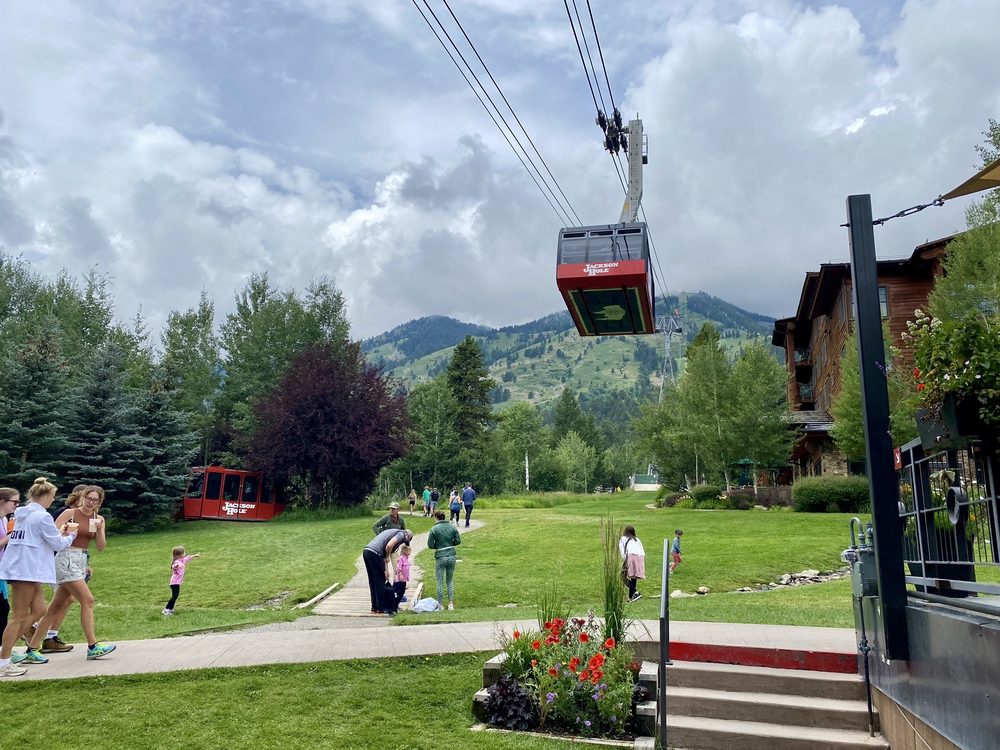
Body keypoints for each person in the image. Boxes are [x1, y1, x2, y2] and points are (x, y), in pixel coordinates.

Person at [0, 478, 77, 677]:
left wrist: (59, 534)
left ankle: (5, 652)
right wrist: (71, 535)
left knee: (40, 609)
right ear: (44, 496)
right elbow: (58, 545)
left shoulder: (21, 513)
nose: (53, 500)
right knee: (17, 617)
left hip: (24, 568)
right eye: (52, 497)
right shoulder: (42, 517)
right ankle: (3, 661)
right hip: (26, 570)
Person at [27, 485, 116, 659]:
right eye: (88, 498)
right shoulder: (70, 514)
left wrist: (99, 531)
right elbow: (50, 535)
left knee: (57, 605)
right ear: (82, 497)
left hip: (81, 559)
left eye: (95, 500)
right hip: (65, 558)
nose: (91, 503)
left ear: (100, 502)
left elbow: (101, 547)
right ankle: (92, 646)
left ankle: (32, 648)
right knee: (88, 600)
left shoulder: (99, 519)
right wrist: (65, 532)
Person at [363, 528, 413, 615]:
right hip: (375, 554)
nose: (402, 543)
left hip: (367, 552)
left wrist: (386, 570)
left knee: (373, 581)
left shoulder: (392, 532)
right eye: (405, 541)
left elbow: (385, 553)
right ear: (407, 535)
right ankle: (380, 608)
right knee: (380, 583)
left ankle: (374, 608)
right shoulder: (401, 534)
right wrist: (386, 557)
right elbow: (389, 546)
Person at [427, 510, 462, 610]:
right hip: (451, 555)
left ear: (436, 517)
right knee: (449, 580)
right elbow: (458, 541)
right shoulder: (452, 527)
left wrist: (437, 546)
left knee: (439, 581)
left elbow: (430, 545)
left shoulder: (434, 529)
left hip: (440, 556)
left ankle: (440, 604)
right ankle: (451, 603)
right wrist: (450, 544)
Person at [0, 488, 20, 641]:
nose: (16, 505)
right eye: (14, 502)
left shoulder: (5, 519)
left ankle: (3, 651)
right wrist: (9, 538)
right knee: (2, 608)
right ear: (3, 502)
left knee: (3, 608)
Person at [162, 546, 201, 615]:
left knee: (175, 596)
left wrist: (195, 556)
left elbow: (187, 558)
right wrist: (177, 565)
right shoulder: (177, 562)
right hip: (174, 583)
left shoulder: (182, 560)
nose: (184, 554)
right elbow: (174, 566)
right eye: (183, 553)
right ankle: (166, 609)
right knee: (174, 596)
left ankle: (170, 609)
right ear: (178, 555)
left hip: (177, 583)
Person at [619, 525, 645, 602]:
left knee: (622, 575)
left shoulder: (623, 539)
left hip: (630, 556)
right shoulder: (637, 539)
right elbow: (642, 550)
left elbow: (621, 550)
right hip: (640, 557)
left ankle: (635, 592)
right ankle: (631, 596)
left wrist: (625, 559)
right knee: (633, 577)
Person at [393, 544, 411, 609]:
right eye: (409, 551)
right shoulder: (401, 558)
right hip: (400, 579)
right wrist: (400, 575)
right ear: (404, 551)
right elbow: (398, 568)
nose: (410, 552)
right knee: (399, 593)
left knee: (402, 592)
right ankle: (394, 606)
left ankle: (396, 605)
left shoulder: (406, 558)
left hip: (404, 580)